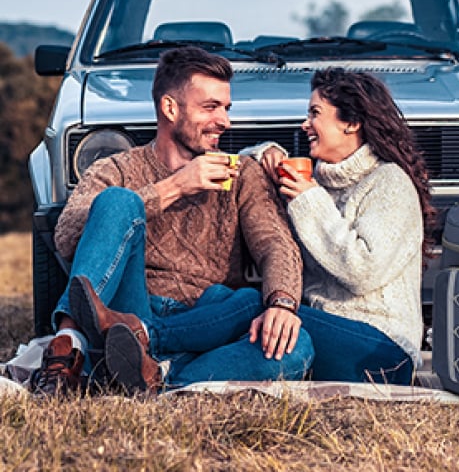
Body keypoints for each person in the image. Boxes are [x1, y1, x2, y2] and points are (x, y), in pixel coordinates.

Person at [29, 46, 313, 396]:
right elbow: (67, 237)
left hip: (205, 324)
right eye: (210, 107)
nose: (224, 121)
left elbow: (276, 244)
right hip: (126, 310)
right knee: (119, 201)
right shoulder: (117, 168)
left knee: (294, 344)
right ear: (169, 108)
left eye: (226, 108)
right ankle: (75, 349)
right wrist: (175, 187)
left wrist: (282, 304)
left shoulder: (241, 174)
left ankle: (153, 372)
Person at [254, 67, 435, 384]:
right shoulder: (318, 184)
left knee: (249, 308)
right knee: (227, 303)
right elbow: (245, 162)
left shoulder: (389, 183)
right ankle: (166, 371)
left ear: (351, 123)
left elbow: (361, 271)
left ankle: (152, 339)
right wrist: (263, 153)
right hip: (328, 333)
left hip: (382, 350)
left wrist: (310, 201)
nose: (304, 124)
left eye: (314, 114)